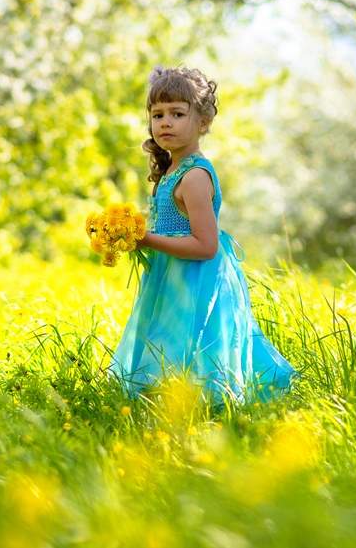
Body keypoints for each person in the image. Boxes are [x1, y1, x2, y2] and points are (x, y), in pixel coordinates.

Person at [108, 66, 297, 410]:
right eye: (158, 115)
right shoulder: (170, 171)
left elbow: (206, 246)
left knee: (191, 344)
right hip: (171, 277)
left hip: (196, 280)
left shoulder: (194, 176)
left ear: (203, 122)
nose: (165, 122)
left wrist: (146, 239)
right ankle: (167, 405)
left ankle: (203, 408)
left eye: (178, 114)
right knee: (166, 343)